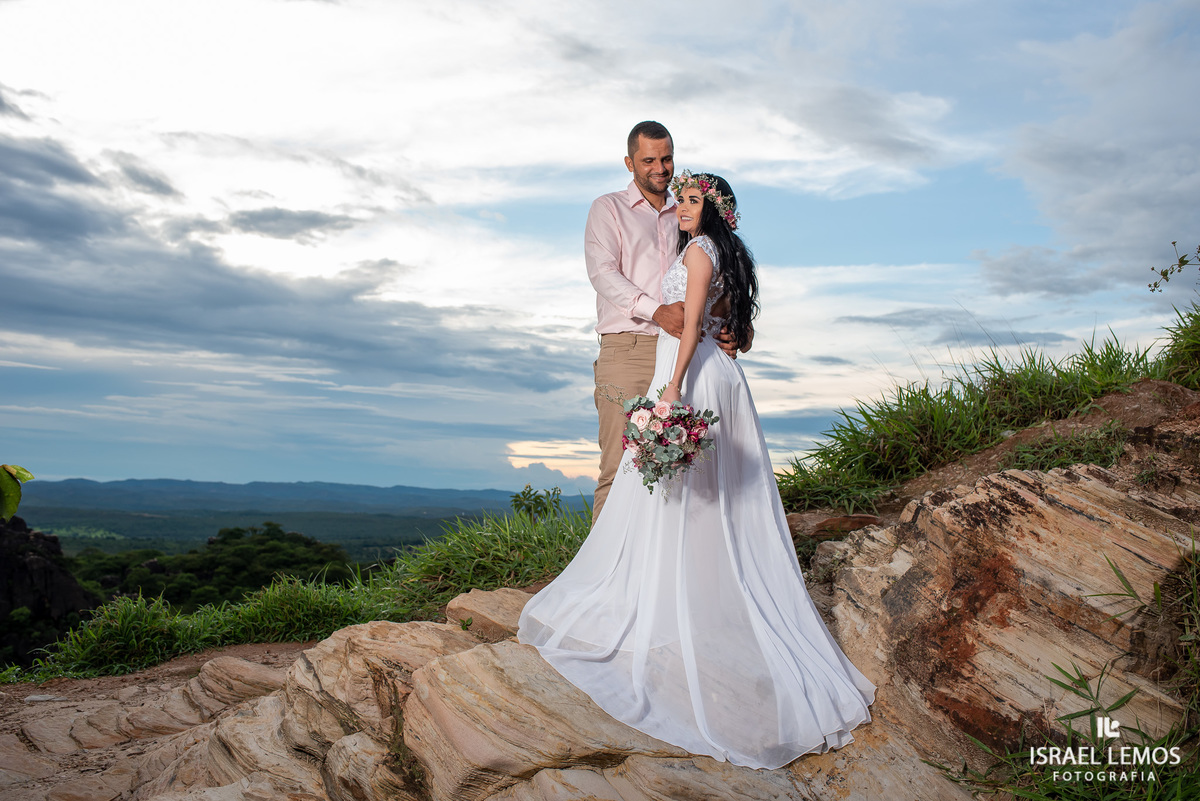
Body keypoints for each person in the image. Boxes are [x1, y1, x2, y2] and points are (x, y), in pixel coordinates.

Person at [519, 171, 875, 770]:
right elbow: (730, 324)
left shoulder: (699, 250)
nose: (681, 206)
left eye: (691, 199)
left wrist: (673, 388)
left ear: (711, 209)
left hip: (692, 372)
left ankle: (673, 597)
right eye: (679, 198)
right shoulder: (725, 252)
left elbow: (687, 326)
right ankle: (691, 584)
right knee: (712, 494)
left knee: (679, 491)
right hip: (719, 374)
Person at [586, 121, 746, 523]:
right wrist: (655, 310)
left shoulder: (691, 210)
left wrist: (731, 329)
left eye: (667, 158)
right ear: (629, 163)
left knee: (685, 471)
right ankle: (606, 580)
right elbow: (603, 273)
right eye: (649, 160)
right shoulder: (609, 208)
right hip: (631, 347)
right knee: (620, 467)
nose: (660, 167)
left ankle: (662, 575)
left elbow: (725, 277)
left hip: (687, 356)